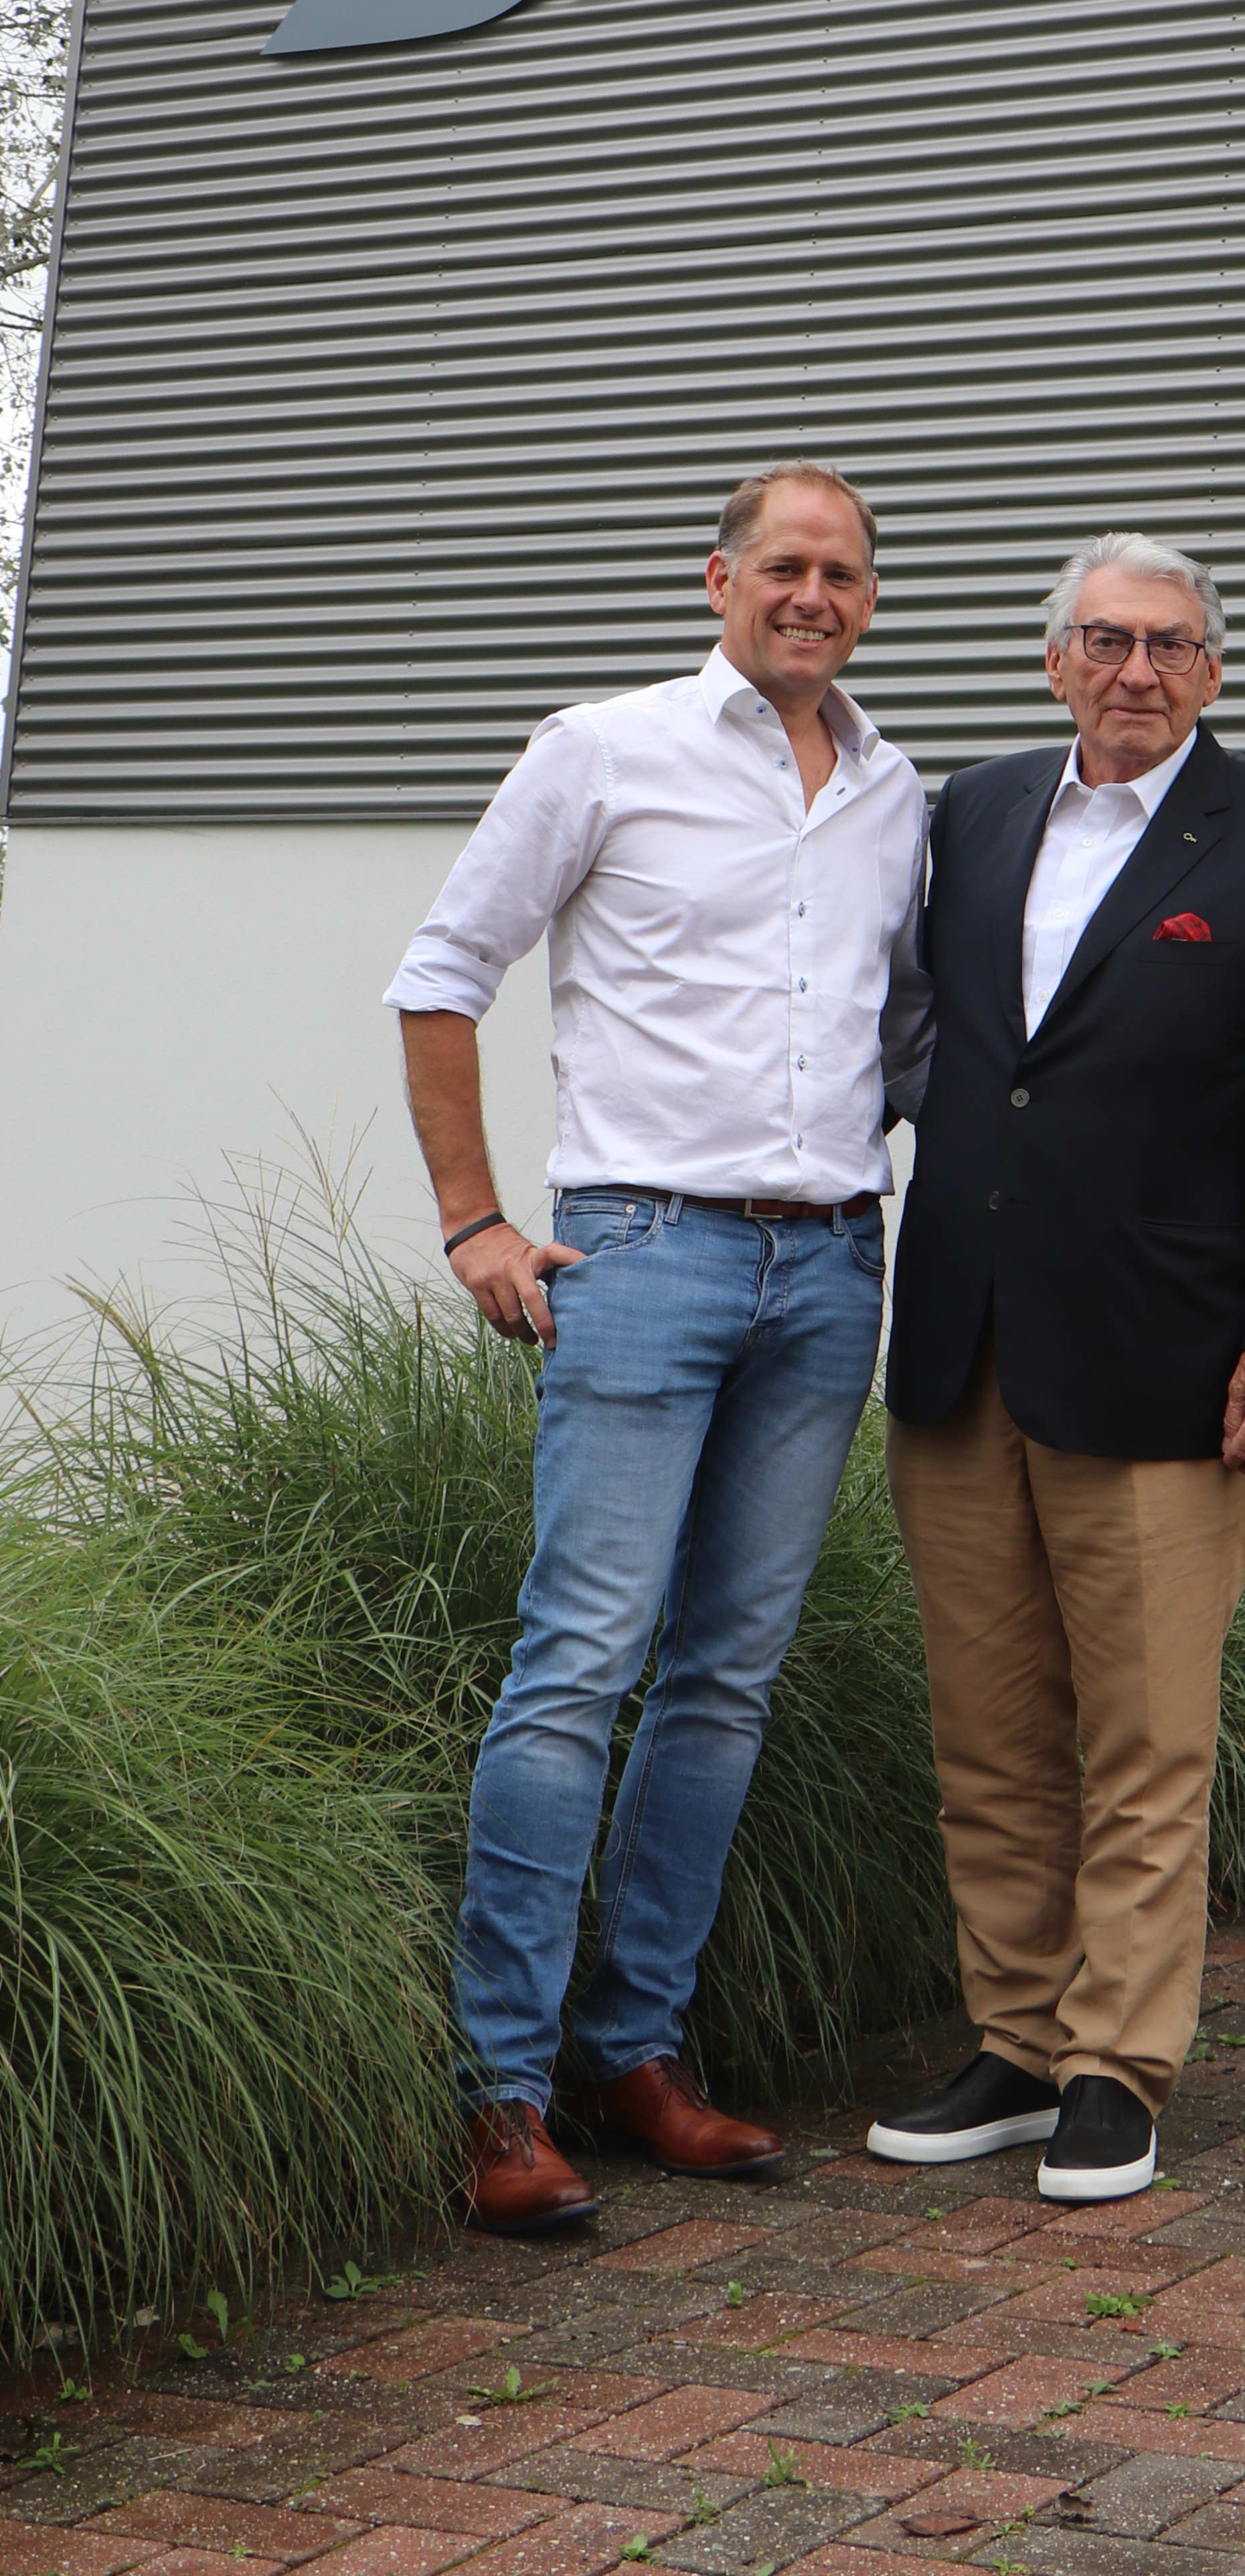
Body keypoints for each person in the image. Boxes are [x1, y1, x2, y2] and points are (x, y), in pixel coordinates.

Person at [384, 462, 928, 2236]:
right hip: (639, 1250)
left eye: (842, 571)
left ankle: (633, 2052)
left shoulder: (895, 791)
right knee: (577, 1661)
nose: (812, 593)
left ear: (869, 597)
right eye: (784, 564)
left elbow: (911, 1031)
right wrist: (475, 1219)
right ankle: (503, 2092)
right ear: (719, 578)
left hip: (829, 1266)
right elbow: (441, 973)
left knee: (725, 1675)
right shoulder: (600, 749)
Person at [866, 531, 1245, 2204]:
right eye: (1103, 639)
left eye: (1167, 644)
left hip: (1169, 1357)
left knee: (1146, 1741)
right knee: (989, 1731)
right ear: (1053, 661)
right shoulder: (974, 810)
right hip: (963, 1344)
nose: (1134, 669)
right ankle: (1016, 2042)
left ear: (1211, 670)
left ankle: (1116, 2064)